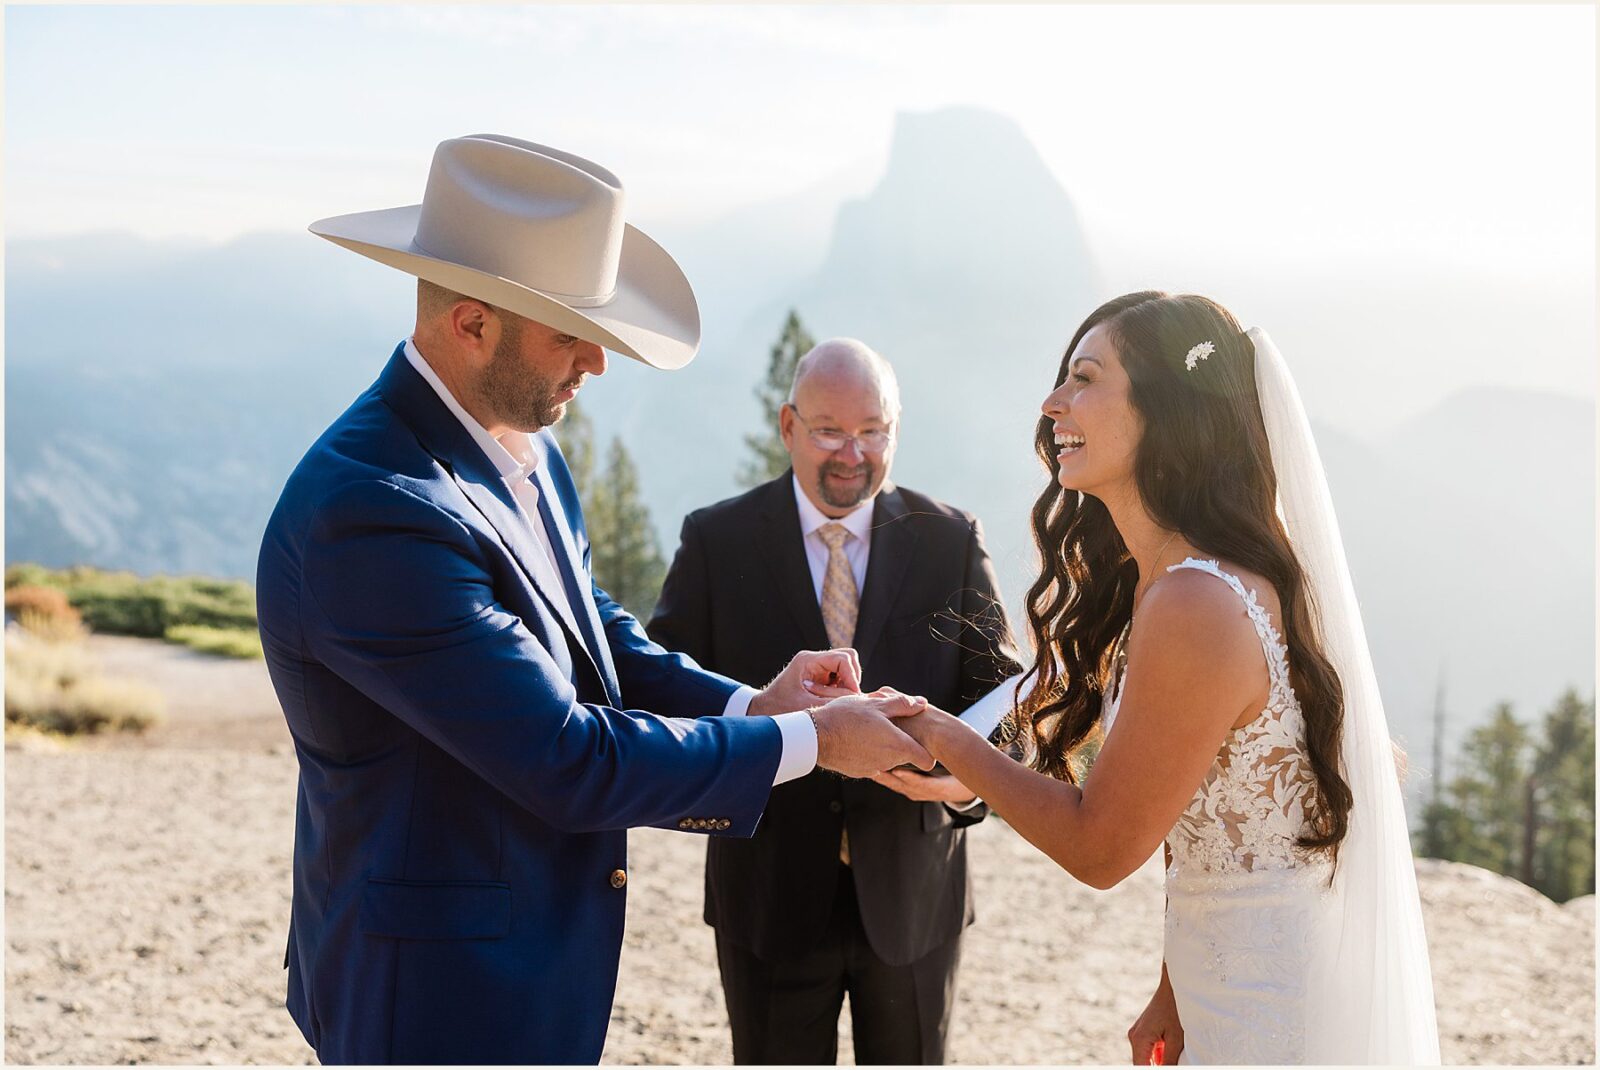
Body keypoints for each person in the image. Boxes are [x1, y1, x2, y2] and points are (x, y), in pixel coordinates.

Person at [255, 134, 935, 1066]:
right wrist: (815, 743)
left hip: (526, 973)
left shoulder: (524, 446)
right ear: (470, 323)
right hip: (432, 999)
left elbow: (597, 641)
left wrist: (754, 704)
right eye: (570, 332)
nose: (598, 363)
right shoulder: (373, 512)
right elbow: (566, 756)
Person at [894, 292, 1440, 1064]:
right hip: (1233, 983)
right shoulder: (1192, 580)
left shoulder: (1195, 603)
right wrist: (1173, 984)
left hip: (1270, 1014)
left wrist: (952, 741)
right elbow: (1202, 804)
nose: (1053, 403)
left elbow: (1101, 847)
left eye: (1085, 379)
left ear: (1167, 413)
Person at [648, 338, 1019, 1064]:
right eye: (828, 431)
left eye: (873, 431)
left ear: (896, 431)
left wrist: (965, 783)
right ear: (786, 426)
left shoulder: (951, 540)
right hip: (767, 896)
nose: (853, 453)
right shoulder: (715, 540)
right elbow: (665, 690)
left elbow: (1004, 701)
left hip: (915, 901)